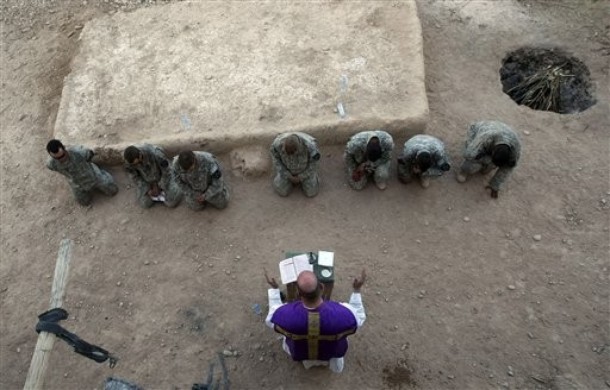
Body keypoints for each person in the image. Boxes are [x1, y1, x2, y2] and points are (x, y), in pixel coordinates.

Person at [264, 269, 367, 373]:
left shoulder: (285, 315)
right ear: (322, 287)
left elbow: (271, 317)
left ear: (298, 293)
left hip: (301, 351)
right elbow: (359, 316)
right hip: (331, 352)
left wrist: (274, 288)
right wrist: (356, 290)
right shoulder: (344, 314)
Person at [456, 120, 521, 198]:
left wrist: (495, 185)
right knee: (472, 165)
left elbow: (507, 168)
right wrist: (486, 160)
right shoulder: (485, 137)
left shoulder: (515, 151)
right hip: (478, 131)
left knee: (486, 168)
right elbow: (468, 154)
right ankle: (464, 171)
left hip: (498, 137)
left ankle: (487, 164)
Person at [46, 139, 118, 206]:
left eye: (62, 156)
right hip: (77, 184)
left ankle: (102, 173)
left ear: (64, 149)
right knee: (84, 202)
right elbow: (51, 167)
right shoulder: (51, 164)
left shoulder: (78, 152)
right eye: (57, 158)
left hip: (93, 176)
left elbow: (90, 154)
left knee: (113, 190)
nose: (62, 159)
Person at [123, 144, 181, 208]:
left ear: (140, 155)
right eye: (135, 164)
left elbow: (167, 172)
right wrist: (147, 189)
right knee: (145, 204)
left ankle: (177, 186)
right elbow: (135, 178)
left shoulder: (156, 154)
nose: (137, 165)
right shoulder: (129, 162)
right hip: (147, 182)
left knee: (171, 203)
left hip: (163, 178)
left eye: (137, 163)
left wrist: (160, 186)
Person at [270, 132, 321, 197]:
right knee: (282, 191)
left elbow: (314, 164)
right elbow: (276, 161)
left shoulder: (311, 147)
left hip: (304, 170)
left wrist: (302, 176)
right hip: (287, 170)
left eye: (292, 153)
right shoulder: (277, 145)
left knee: (311, 193)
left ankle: (313, 178)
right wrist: (288, 175)